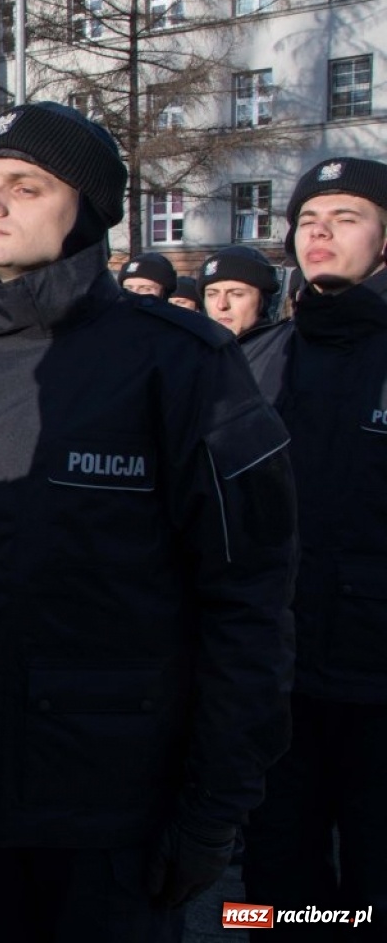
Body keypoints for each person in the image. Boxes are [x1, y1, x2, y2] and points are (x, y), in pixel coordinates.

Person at [0, 101, 297, 941]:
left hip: (114, 809)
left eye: (24, 184)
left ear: (84, 206)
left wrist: (213, 809)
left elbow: (247, 600)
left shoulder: (180, 364)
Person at [240, 157, 387, 933]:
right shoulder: (253, 363)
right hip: (278, 681)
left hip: (377, 688)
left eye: (347, 216)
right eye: (307, 218)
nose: (321, 231)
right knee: (270, 897)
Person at [199, 245, 283, 370]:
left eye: (237, 294)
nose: (221, 305)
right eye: (212, 294)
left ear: (263, 300)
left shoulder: (284, 356)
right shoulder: (193, 355)